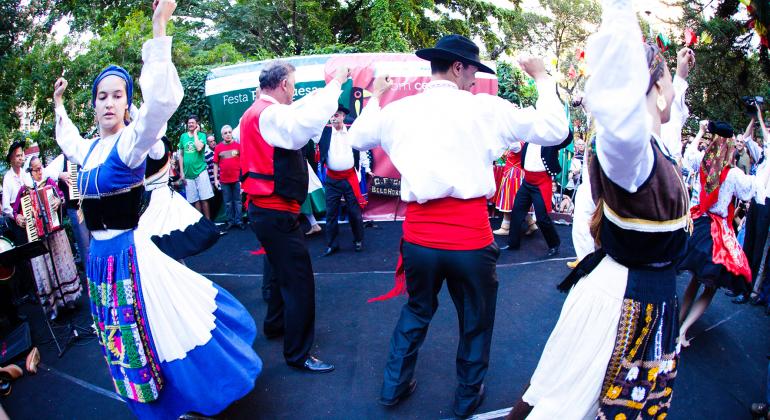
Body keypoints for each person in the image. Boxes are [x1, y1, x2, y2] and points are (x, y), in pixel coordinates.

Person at [52, 1, 261, 417]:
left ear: (127, 103)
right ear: (93, 104)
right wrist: (58, 103)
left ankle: (184, 399)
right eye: (101, 96)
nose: (108, 103)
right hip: (98, 262)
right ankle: (151, 401)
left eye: (117, 96)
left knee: (158, 328)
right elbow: (67, 139)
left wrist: (159, 26)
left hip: (131, 258)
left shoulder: (130, 145)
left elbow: (161, 104)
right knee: (118, 337)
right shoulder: (88, 150)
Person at [347, 34, 568, 417]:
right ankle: (467, 397)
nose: (473, 80)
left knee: (417, 310)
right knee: (476, 319)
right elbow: (555, 130)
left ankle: (393, 386)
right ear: (457, 67)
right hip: (468, 239)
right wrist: (543, 79)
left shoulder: (400, 110)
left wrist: (374, 98)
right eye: (472, 72)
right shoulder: (483, 108)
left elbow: (357, 136)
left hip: (418, 238)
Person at [506, 2, 691, 417]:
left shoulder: (656, 152)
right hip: (621, 299)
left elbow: (668, 128)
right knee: (569, 403)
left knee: (566, 391)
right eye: (667, 84)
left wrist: (677, 75)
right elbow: (621, 110)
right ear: (655, 90)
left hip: (641, 296)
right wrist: (621, 9)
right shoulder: (630, 154)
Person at [240, 60, 350, 373]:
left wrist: (325, 91)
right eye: (293, 84)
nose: (295, 90)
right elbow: (302, 125)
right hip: (274, 211)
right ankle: (298, 353)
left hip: (265, 210)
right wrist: (336, 83)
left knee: (277, 271)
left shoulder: (257, 111)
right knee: (298, 281)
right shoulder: (271, 113)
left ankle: (275, 325)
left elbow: (300, 110)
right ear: (285, 84)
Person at [677, 121, 770, 347]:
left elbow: (687, 157)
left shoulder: (703, 161)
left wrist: (699, 132)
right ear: (730, 145)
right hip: (717, 232)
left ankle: (677, 325)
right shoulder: (733, 174)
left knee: (694, 280)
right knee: (709, 287)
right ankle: (683, 330)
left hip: (698, 225)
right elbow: (756, 188)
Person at [11, 157, 81, 319]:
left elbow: (61, 196)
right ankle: (53, 305)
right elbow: (15, 211)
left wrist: (57, 201)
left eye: (40, 167)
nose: (39, 171)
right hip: (37, 236)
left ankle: (68, 298)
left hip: (55, 233)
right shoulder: (24, 190)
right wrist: (20, 218)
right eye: (35, 169)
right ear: (30, 171)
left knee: (60, 265)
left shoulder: (49, 182)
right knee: (45, 269)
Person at [137, 136, 220, 261]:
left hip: (160, 197)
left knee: (161, 235)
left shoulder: (157, 149)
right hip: (157, 196)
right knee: (165, 236)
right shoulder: (149, 151)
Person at [502, 127, 572, 257]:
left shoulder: (550, 142)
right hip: (527, 181)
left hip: (541, 183)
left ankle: (554, 244)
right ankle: (513, 243)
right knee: (517, 211)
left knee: (542, 217)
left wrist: (560, 122)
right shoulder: (528, 139)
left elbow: (567, 139)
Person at [317, 105, 366, 256]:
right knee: (331, 213)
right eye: (332, 115)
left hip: (349, 178)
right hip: (332, 179)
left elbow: (361, 149)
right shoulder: (324, 133)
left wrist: (364, 168)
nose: (334, 118)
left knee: (354, 212)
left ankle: (358, 240)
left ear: (343, 116)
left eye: (337, 115)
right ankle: (332, 244)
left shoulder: (352, 131)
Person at [735, 107, 770, 304]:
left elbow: (766, 139)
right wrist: (753, 120)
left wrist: (760, 116)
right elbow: (747, 138)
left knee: (757, 250)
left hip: (767, 205)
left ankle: (748, 290)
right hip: (756, 203)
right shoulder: (763, 156)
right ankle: (740, 286)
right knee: (747, 245)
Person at [43, 152, 90, 266]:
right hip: (75, 207)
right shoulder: (63, 158)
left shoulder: (87, 154)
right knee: (85, 245)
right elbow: (45, 172)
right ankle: (90, 279)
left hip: (91, 205)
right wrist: (60, 175)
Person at [178, 114, 213, 219]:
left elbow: (198, 148)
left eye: (193, 123)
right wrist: (182, 172)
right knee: (194, 200)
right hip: (188, 174)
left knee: (204, 199)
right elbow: (181, 155)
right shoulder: (183, 136)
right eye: (189, 123)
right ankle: (201, 224)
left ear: (197, 124)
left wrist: (196, 133)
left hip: (200, 171)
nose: (190, 124)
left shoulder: (202, 135)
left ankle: (208, 223)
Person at [213, 125, 246, 230]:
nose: (228, 134)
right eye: (225, 133)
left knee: (238, 201)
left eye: (229, 132)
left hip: (237, 180)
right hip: (224, 181)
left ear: (232, 133)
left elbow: (243, 162)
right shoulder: (218, 148)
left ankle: (239, 221)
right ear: (222, 135)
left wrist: (243, 179)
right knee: (227, 202)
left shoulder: (238, 146)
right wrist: (215, 179)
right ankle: (230, 222)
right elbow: (215, 164)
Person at [492, 144, 526, 236]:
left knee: (508, 199)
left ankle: (505, 227)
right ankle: (531, 224)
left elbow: (509, 146)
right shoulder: (522, 142)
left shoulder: (516, 143)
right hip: (517, 173)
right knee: (518, 201)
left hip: (513, 174)